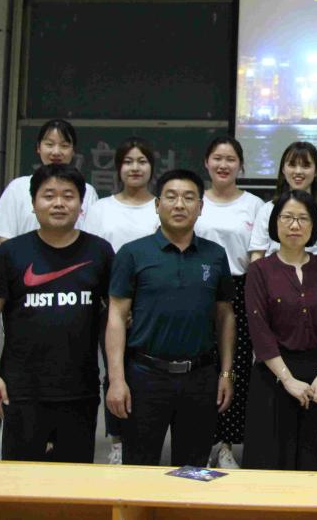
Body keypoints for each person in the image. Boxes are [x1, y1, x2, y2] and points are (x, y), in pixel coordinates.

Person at [0, 164, 114, 462]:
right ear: (33, 203)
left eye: (68, 196)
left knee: (73, 477)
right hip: (21, 389)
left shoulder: (100, 252)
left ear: (81, 205)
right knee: (20, 476)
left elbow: (114, 317)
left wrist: (116, 376)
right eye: (49, 195)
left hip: (80, 389)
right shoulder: (11, 253)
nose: (59, 203)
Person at [105, 169, 236, 467]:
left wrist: (226, 374)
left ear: (200, 207)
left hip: (200, 377)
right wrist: (117, 380)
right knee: (139, 467)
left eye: (189, 198)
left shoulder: (215, 255)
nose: (179, 205)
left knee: (193, 470)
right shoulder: (132, 253)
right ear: (157, 204)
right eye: (171, 197)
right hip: (145, 376)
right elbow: (116, 317)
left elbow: (225, 317)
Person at [243, 190, 317, 470]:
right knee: (271, 467)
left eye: (303, 218)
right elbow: (259, 331)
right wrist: (287, 380)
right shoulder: (259, 270)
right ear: (275, 223)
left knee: (315, 468)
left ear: (314, 226)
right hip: (272, 377)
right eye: (287, 217)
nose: (294, 225)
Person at [82, 137, 160, 464]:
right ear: (118, 168)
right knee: (114, 373)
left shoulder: (161, 207)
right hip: (110, 305)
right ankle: (117, 441)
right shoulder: (100, 209)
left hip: (154, 308)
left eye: (142, 161)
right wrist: (112, 305)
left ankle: (145, 439)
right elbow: (91, 259)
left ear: (152, 168)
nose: (135, 168)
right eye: (128, 161)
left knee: (150, 375)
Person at [195, 136, 264, 468]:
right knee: (199, 365)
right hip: (197, 288)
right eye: (217, 158)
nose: (223, 165)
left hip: (240, 287)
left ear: (241, 165)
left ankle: (224, 445)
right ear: (206, 163)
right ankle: (199, 440)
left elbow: (258, 254)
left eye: (230, 159)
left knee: (235, 368)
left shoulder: (254, 205)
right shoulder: (195, 200)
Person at [0, 118, 98, 244]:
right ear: (38, 147)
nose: (56, 152)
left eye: (64, 146)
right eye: (49, 144)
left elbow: (92, 238)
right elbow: (5, 237)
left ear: (73, 151)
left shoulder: (88, 191)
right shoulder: (17, 188)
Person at [249, 141, 317, 267]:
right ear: (283, 170)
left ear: (316, 171)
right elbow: (257, 253)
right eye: (292, 165)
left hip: (315, 274)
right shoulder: (267, 209)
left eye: (306, 166)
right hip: (273, 274)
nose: (298, 171)